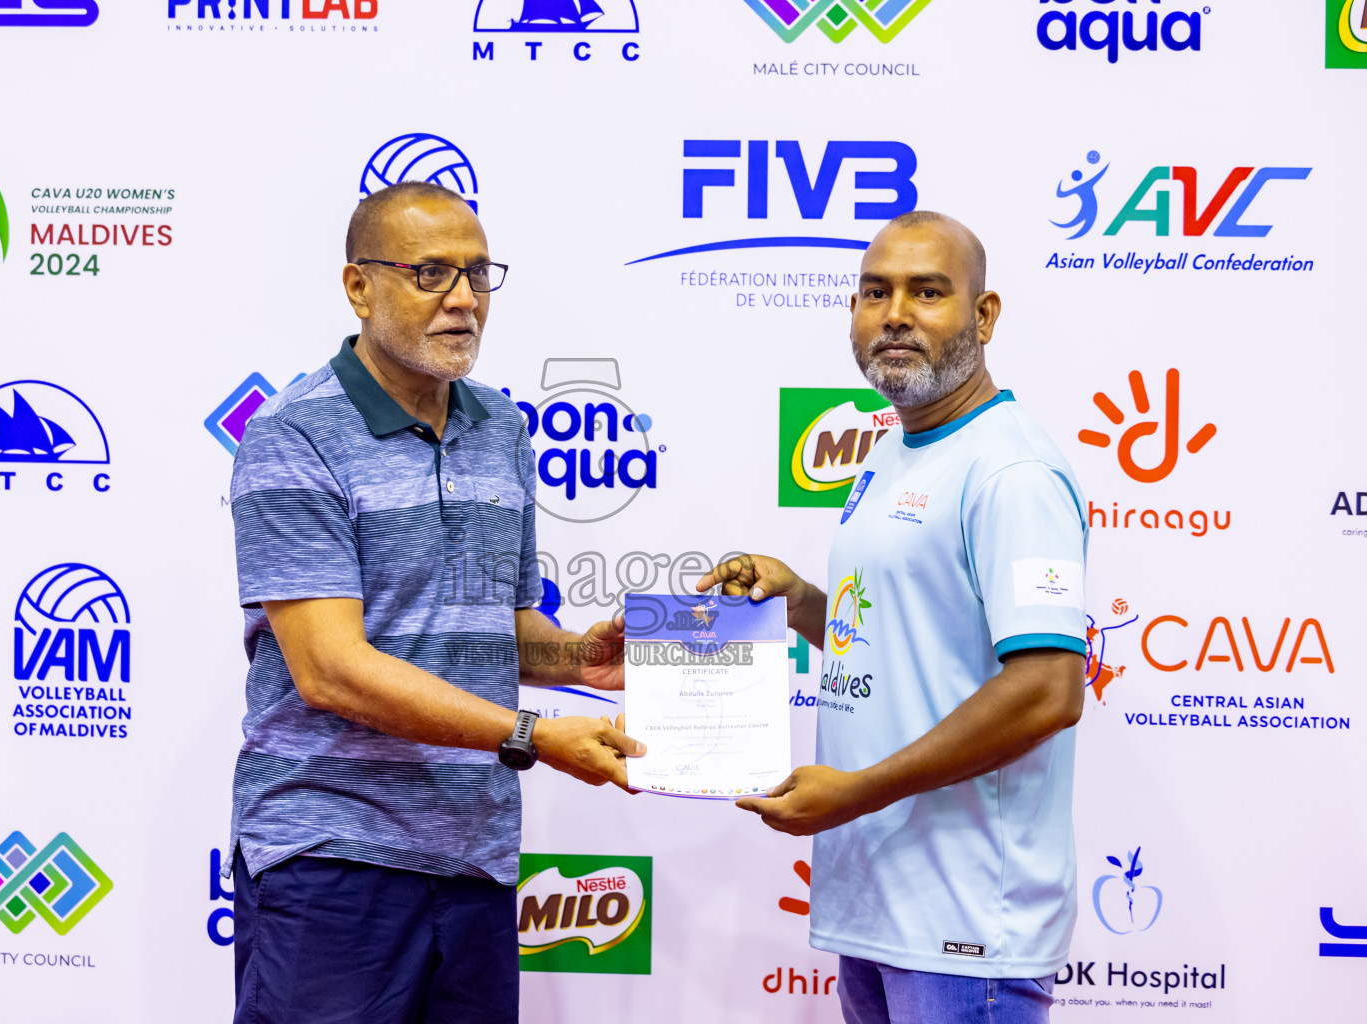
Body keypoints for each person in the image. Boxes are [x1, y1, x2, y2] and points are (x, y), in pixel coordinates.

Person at [224, 180, 642, 1024]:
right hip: (331, 856)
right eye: (432, 275)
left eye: (479, 275)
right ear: (359, 286)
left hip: (474, 859)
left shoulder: (503, 428)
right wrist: (532, 734)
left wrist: (582, 661)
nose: (464, 301)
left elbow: (500, 627)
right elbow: (332, 672)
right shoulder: (293, 434)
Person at [701, 212, 1087, 1023]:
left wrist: (859, 792)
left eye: (928, 291)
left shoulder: (1010, 471)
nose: (896, 313)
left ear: (984, 316)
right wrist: (800, 598)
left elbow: (1050, 688)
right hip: (881, 906)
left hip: (967, 925)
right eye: (876, 293)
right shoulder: (893, 450)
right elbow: (907, 644)